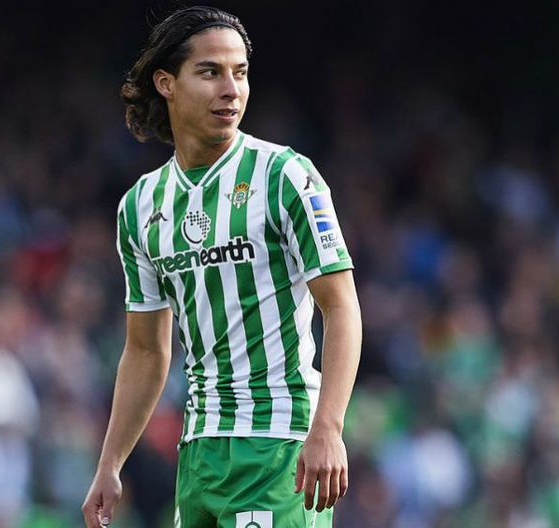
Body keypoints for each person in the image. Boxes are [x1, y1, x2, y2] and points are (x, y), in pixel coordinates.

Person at [81, 6, 362, 528]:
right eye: (210, 72)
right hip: (199, 454)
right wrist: (110, 464)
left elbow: (341, 306)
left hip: (278, 446)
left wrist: (328, 426)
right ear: (166, 83)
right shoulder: (140, 206)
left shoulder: (285, 175)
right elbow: (146, 350)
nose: (231, 90)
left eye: (240, 73)